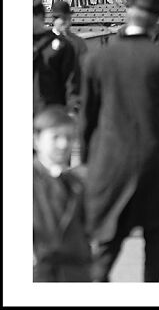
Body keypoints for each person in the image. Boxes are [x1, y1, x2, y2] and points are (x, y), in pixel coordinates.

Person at [80, 0, 159, 282]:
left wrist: (88, 164)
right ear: (157, 20)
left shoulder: (98, 60)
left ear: (127, 14)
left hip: (110, 162)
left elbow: (86, 120)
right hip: (155, 159)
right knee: (155, 235)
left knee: (107, 243)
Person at [33, 105, 92, 282]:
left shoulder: (80, 181)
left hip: (76, 274)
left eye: (68, 137)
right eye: (55, 137)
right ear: (36, 140)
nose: (63, 144)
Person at [33, 0, 80, 115]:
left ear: (38, 16)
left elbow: (71, 81)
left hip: (51, 114)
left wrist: (72, 109)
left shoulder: (62, 46)